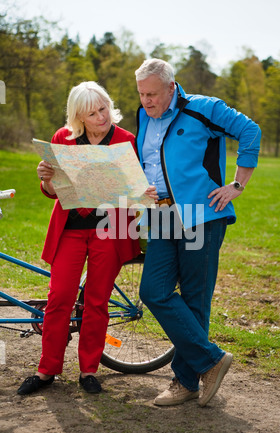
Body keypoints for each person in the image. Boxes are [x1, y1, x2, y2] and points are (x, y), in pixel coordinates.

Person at [135, 59, 261, 407]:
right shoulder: (143, 115)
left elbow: (251, 131)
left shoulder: (203, 108)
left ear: (172, 87)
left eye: (153, 94)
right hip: (161, 216)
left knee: (194, 299)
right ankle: (211, 360)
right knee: (153, 291)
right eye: (142, 94)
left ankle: (185, 381)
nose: (147, 101)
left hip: (202, 215)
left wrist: (237, 184)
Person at [17, 81, 148, 395]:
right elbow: (52, 193)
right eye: (92, 113)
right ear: (79, 117)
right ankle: (47, 370)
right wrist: (46, 180)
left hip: (108, 229)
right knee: (59, 297)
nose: (102, 117)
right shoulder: (63, 139)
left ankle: (89, 370)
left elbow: (135, 193)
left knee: (96, 302)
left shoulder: (127, 140)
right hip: (71, 231)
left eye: (103, 108)